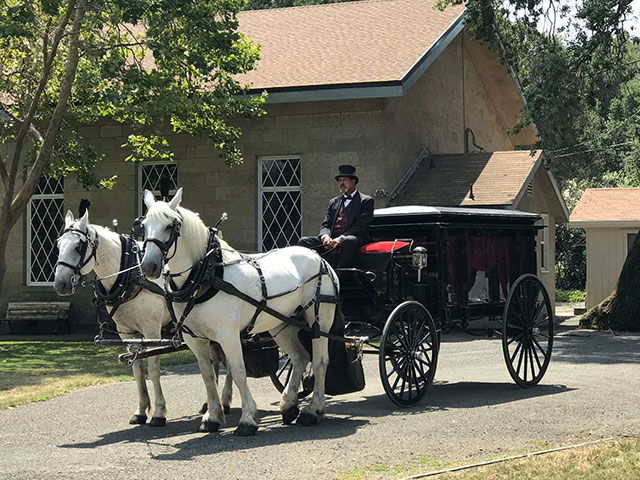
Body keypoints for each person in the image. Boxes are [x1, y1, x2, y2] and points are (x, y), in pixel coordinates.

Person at [298, 164, 374, 268]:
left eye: (345, 180)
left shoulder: (365, 201)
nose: (341, 183)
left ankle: (342, 274)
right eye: (339, 180)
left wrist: (341, 238)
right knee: (304, 241)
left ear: (353, 182)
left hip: (354, 238)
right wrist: (325, 237)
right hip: (332, 239)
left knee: (349, 241)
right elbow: (326, 224)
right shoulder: (333, 202)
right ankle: (313, 272)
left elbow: (361, 226)